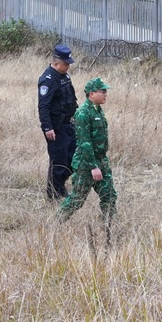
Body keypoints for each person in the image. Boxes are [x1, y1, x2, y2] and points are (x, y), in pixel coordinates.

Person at [58, 77, 116, 230]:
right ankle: (56, 222)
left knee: (109, 195)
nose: (105, 94)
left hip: (101, 161)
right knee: (77, 199)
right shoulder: (83, 113)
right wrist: (93, 167)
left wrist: (100, 163)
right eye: (102, 91)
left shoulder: (97, 110)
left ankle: (108, 226)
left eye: (105, 91)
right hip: (86, 164)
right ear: (91, 94)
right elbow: (85, 142)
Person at [38, 44, 78, 200]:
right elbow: (43, 106)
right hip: (56, 127)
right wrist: (47, 127)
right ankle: (53, 193)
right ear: (56, 62)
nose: (68, 66)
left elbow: (71, 99)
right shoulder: (48, 79)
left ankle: (60, 187)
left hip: (69, 124)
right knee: (59, 161)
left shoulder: (64, 76)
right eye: (66, 63)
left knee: (72, 158)